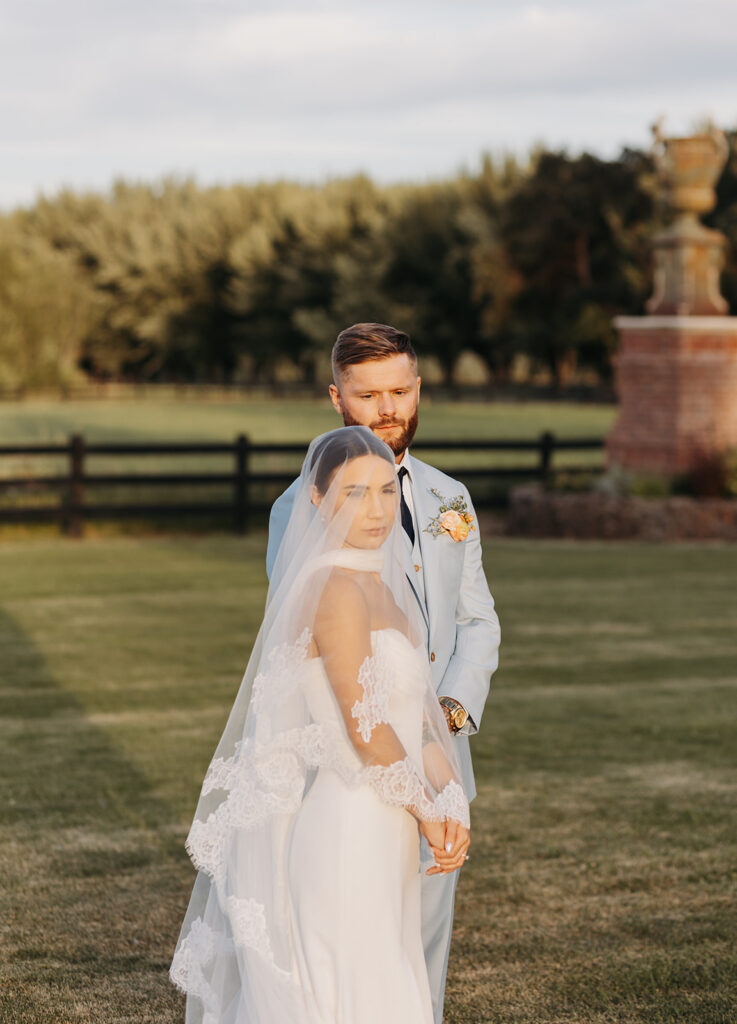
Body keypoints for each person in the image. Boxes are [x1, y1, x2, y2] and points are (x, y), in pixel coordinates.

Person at [170, 426, 471, 1023]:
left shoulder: (382, 587)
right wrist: (429, 809)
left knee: (387, 977)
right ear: (317, 497)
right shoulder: (333, 589)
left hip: (390, 827)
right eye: (356, 493)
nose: (377, 510)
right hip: (348, 828)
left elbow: (421, 720)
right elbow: (366, 726)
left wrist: (453, 798)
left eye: (387, 491)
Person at [266, 323, 501, 1023]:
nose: (387, 408)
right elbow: (308, 632)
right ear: (336, 400)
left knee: (417, 935)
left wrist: (449, 715)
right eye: (368, 395)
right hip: (353, 754)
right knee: (351, 941)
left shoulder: (448, 498)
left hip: (437, 748)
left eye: (400, 390)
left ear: (418, 388)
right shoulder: (297, 508)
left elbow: (477, 620)